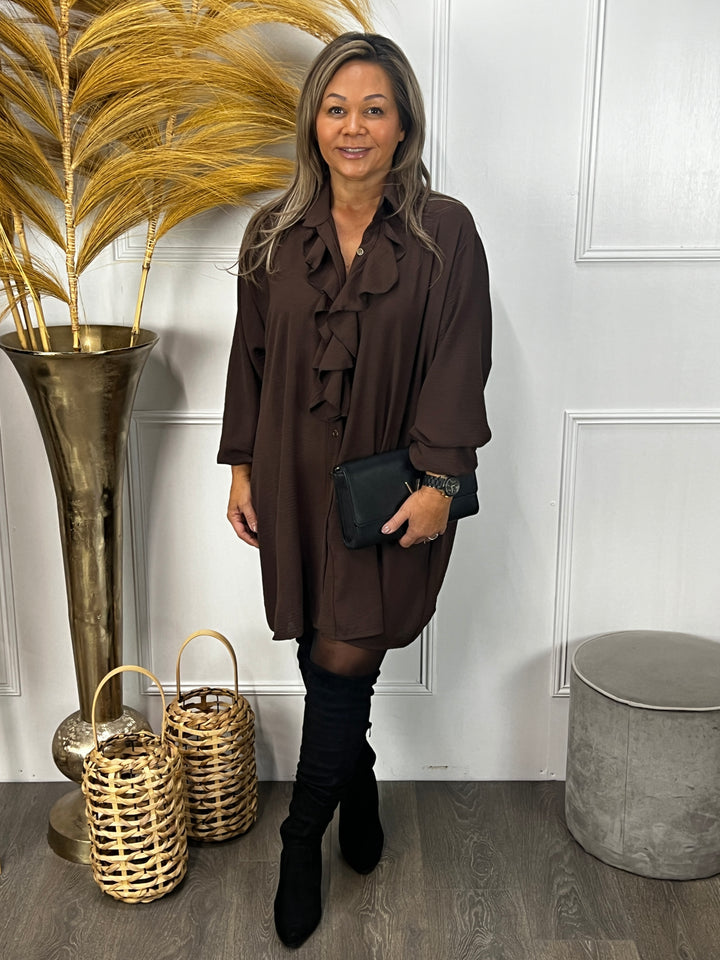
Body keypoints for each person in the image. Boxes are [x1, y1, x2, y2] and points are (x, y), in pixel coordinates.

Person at [218, 32, 492, 948]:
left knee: (343, 657)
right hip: (293, 479)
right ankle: (359, 785)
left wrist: (443, 480)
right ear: (313, 123)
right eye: (336, 109)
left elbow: (460, 358)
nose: (354, 127)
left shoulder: (445, 231)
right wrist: (243, 469)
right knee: (321, 645)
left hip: (392, 487)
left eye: (375, 109)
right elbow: (250, 359)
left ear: (403, 124)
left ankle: (302, 839)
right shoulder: (272, 234)